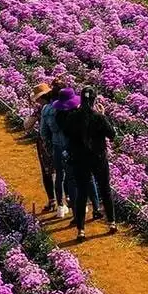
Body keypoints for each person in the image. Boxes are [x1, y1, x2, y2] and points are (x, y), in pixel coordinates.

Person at [59, 88, 117, 240]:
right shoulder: (99, 117)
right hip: (98, 158)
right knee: (105, 189)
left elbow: (66, 133)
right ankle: (112, 223)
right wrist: (104, 115)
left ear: (81, 100)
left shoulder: (72, 117)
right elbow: (112, 135)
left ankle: (81, 230)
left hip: (79, 159)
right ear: (94, 100)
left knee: (82, 193)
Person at [40, 81, 80, 219]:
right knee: (72, 176)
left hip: (56, 146)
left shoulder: (46, 109)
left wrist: (50, 145)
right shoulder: (69, 108)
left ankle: (60, 207)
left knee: (58, 177)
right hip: (70, 146)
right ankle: (76, 207)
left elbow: (43, 132)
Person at [26, 84, 62, 214]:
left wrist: (32, 116)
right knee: (62, 171)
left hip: (46, 143)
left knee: (47, 172)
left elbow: (27, 125)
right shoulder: (59, 105)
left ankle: (52, 201)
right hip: (61, 141)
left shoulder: (41, 109)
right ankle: (67, 200)